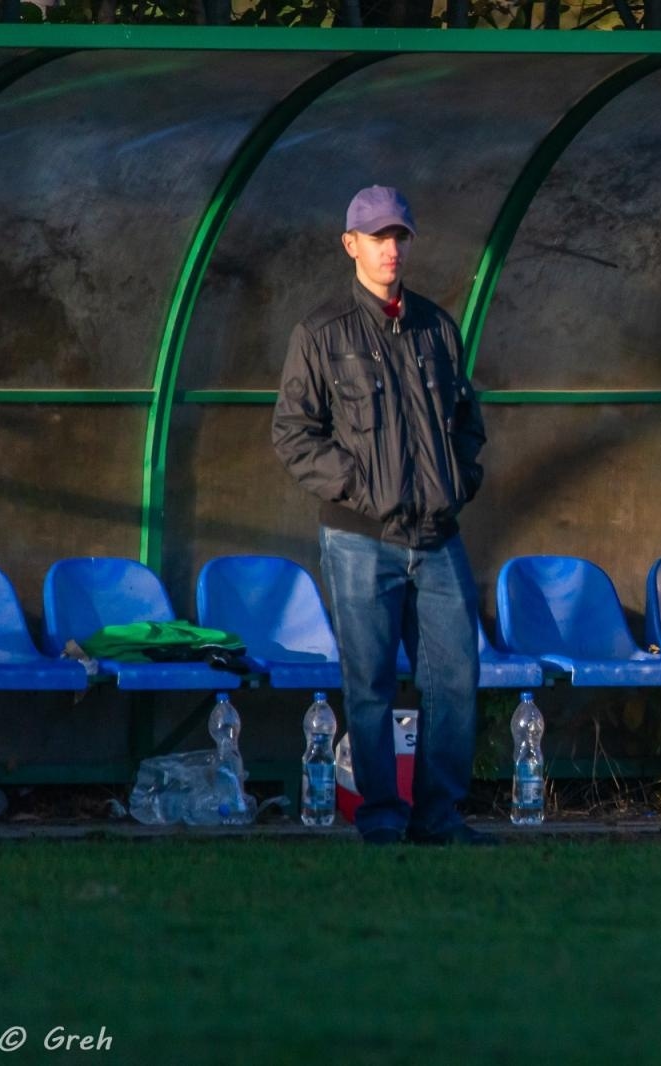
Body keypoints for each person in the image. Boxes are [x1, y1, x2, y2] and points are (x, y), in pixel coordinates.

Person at [272, 186, 492, 846]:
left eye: (399, 236)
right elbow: (293, 434)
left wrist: (457, 482)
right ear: (351, 245)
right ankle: (381, 818)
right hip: (359, 539)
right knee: (368, 686)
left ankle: (439, 817)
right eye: (377, 237)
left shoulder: (437, 328)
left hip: (438, 536)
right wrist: (362, 488)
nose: (390, 248)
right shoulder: (321, 332)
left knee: (455, 680)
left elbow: (467, 423)